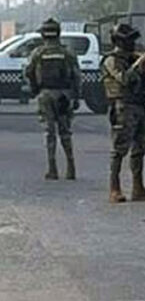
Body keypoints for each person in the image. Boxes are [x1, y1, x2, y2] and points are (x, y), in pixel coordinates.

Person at [101, 24, 145, 203]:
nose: (133, 44)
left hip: (139, 104)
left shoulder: (133, 57)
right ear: (120, 41)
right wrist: (140, 64)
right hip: (123, 105)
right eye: (129, 40)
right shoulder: (112, 60)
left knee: (140, 148)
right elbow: (125, 79)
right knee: (119, 149)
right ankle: (114, 188)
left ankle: (138, 187)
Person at [23, 18, 81, 180]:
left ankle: (52, 168)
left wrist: (34, 90)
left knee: (49, 132)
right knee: (65, 132)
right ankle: (71, 167)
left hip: (46, 94)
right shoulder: (67, 53)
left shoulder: (38, 53)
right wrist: (76, 97)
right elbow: (76, 76)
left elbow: (28, 72)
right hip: (64, 95)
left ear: (43, 34)